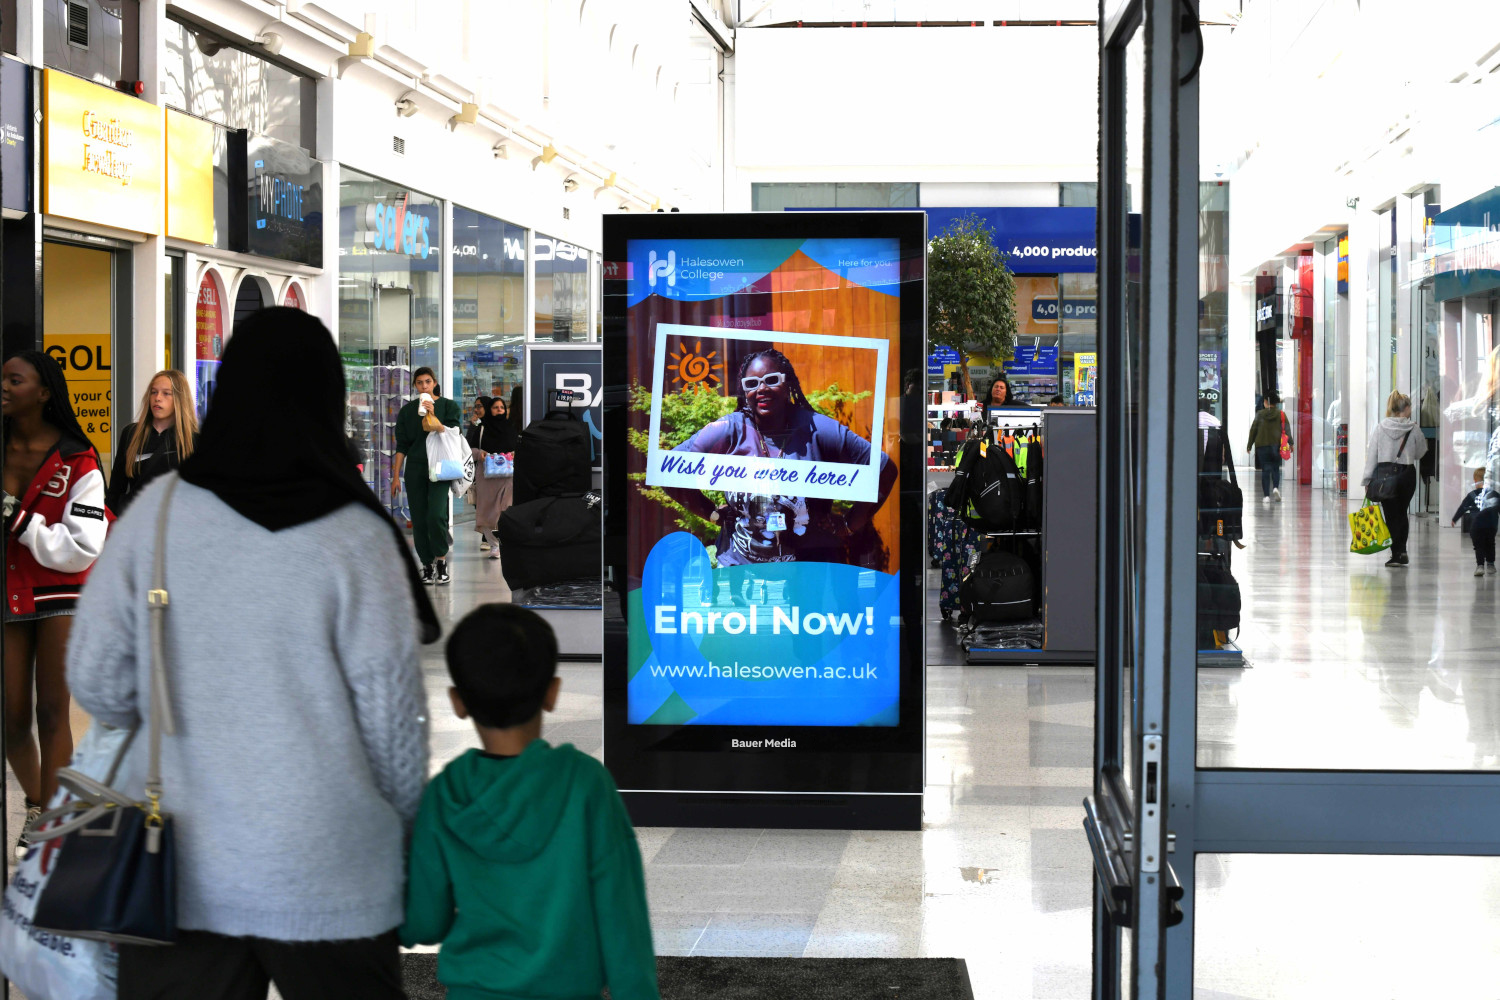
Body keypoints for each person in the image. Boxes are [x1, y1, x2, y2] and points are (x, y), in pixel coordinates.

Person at [68, 308, 439, 1000]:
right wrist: (405, 837)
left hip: (178, 866)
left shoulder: (159, 513)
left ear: (225, 392)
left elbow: (96, 682)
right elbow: (393, 732)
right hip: (332, 869)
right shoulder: (358, 537)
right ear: (327, 400)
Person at [401, 604, 659, 1000]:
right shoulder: (585, 785)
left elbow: (423, 922)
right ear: (553, 693)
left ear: (457, 702)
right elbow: (621, 919)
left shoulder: (446, 795)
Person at [2, 350, 109, 855]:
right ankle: (40, 804)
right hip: (8, 592)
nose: (3, 386)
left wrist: (21, 524)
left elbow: (86, 544)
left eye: (13, 379)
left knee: (52, 714)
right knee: (11, 718)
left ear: (43, 392)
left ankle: (51, 824)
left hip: (60, 595)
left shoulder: (78, 457)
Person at [672, 349, 897, 565]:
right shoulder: (728, 430)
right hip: (740, 574)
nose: (761, 389)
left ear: (787, 382)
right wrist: (711, 513)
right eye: (751, 384)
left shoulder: (817, 430)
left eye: (771, 380)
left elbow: (883, 469)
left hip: (806, 572)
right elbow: (669, 471)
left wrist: (849, 524)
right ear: (744, 392)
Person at [393, 366, 462, 585]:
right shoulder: (406, 412)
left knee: (436, 515)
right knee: (419, 518)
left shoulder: (448, 406)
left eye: (428, 382)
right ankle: (426, 565)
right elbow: (402, 446)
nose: (424, 386)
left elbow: (453, 434)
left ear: (435, 383)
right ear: (415, 385)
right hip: (415, 468)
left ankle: (441, 560)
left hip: (441, 466)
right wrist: (395, 476)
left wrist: (432, 413)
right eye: (420, 382)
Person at [106, 369, 199, 517]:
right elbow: (116, 489)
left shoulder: (193, 440)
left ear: (180, 399)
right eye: (153, 392)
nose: (157, 398)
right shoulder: (131, 434)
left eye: (166, 393)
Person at [1362, 389, 1428, 568]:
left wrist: (1367, 480)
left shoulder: (1381, 427)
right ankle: (1402, 551)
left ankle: (1396, 553)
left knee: (1391, 515)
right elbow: (1421, 452)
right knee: (1402, 513)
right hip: (1406, 475)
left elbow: (1372, 455)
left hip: (1384, 475)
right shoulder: (1413, 428)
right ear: (1405, 408)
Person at [473, 395, 518, 558]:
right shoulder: (482, 429)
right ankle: (493, 544)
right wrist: (480, 454)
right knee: (486, 513)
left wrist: (514, 454)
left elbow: (520, 448)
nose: (499, 410)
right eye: (495, 407)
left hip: (507, 477)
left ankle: (505, 543)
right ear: (489, 410)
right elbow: (469, 450)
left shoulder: (511, 428)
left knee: (506, 511)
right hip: (486, 477)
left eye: (501, 408)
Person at [1246, 392, 1291, 504]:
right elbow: (1287, 429)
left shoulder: (1260, 414)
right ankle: (1275, 487)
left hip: (1262, 446)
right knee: (1275, 468)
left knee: (1265, 470)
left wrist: (1249, 445)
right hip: (1276, 445)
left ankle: (1266, 496)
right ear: (1276, 403)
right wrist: (1292, 443)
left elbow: (1253, 430)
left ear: (1266, 402)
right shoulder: (1281, 414)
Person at [1452, 468, 1497, 577]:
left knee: (1479, 546)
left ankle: (1480, 566)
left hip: (1476, 525)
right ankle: (1490, 564)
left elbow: (1462, 508)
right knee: (1490, 544)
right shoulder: (1494, 494)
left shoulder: (1472, 495)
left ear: (1476, 480)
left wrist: (1455, 518)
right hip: (1491, 525)